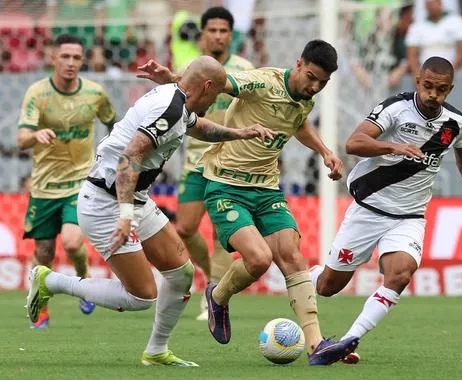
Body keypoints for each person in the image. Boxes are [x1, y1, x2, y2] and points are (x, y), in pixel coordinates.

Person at [26, 56, 275, 366]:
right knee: (141, 296)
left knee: (181, 273)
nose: (219, 99)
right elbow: (130, 157)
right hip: (108, 203)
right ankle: (51, 281)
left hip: (132, 198)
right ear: (208, 86)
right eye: (219, 93)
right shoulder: (170, 107)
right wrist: (125, 215)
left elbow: (199, 128)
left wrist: (240, 132)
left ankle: (156, 352)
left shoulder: (178, 101)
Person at [137, 39, 359, 365]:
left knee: (292, 256)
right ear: (298, 63)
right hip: (226, 186)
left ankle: (316, 345)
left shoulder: (304, 99)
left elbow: (297, 122)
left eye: (322, 83)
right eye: (311, 77)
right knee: (258, 259)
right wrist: (171, 77)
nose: (314, 87)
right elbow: (213, 83)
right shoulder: (261, 82)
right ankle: (217, 295)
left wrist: (325, 151)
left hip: (267, 189)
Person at [309, 56, 462, 364]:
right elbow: (354, 143)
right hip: (369, 206)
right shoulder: (395, 109)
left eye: (441, 90)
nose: (433, 95)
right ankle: (307, 277)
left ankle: (348, 339)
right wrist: (394, 146)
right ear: (417, 82)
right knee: (327, 287)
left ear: (450, 89)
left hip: (409, 217)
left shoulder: (455, 124)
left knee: (399, 274)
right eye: (428, 86)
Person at [17, 34, 117, 328]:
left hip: (80, 183)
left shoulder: (96, 93)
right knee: (44, 253)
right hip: (44, 187)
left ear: (82, 60)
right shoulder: (37, 93)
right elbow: (21, 137)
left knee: (73, 242)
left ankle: (83, 280)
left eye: (76, 57)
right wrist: (35, 135)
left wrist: (111, 156)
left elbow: (115, 124)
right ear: (53, 58)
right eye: (65, 57)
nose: (71, 63)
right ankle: (42, 307)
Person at [175, 6, 255, 322]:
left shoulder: (245, 69)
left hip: (231, 160)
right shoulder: (189, 68)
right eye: (213, 30)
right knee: (185, 227)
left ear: (230, 35)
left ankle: (212, 294)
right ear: (203, 34)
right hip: (195, 158)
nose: (218, 35)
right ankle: (213, 275)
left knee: (222, 232)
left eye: (224, 31)